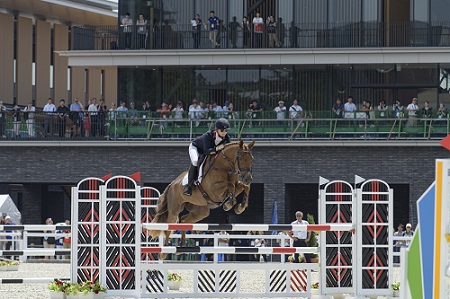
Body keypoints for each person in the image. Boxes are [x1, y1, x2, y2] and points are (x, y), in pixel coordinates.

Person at [183, 118, 231, 196]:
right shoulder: (208, 136)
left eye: (226, 131)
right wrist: (217, 148)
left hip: (209, 151)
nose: (224, 133)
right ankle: (189, 186)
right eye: (222, 131)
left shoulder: (226, 138)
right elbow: (206, 151)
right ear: (217, 130)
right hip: (197, 148)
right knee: (195, 161)